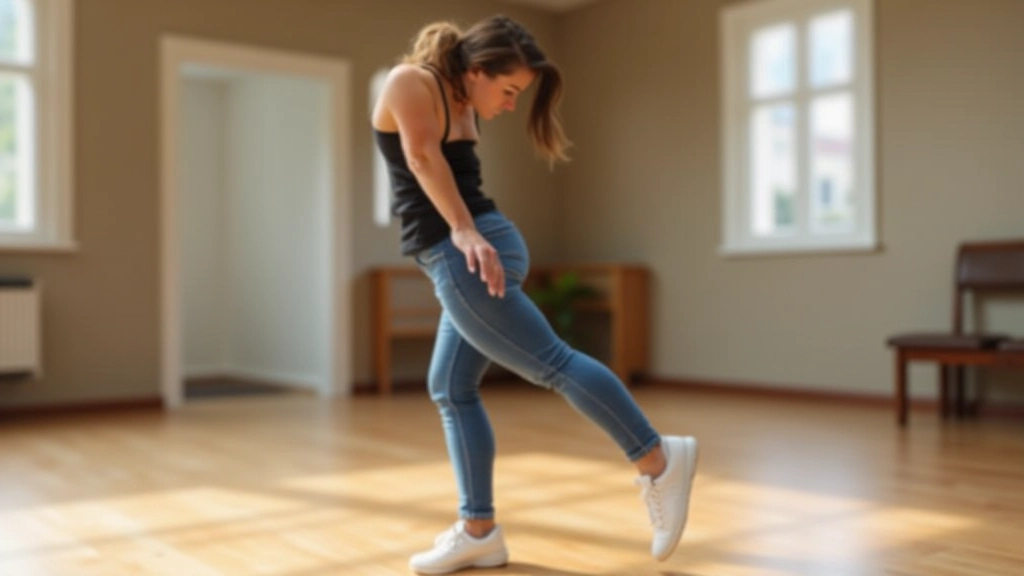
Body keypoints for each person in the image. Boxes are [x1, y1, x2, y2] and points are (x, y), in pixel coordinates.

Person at [371, 15, 698, 575]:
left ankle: (659, 460)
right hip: (474, 245)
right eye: (509, 90)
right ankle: (480, 533)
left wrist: (464, 233)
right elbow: (422, 157)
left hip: (469, 254)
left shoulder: (458, 98)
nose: (510, 105)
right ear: (474, 71)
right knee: (450, 388)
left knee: (551, 363)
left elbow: (432, 167)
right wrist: (466, 230)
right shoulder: (411, 82)